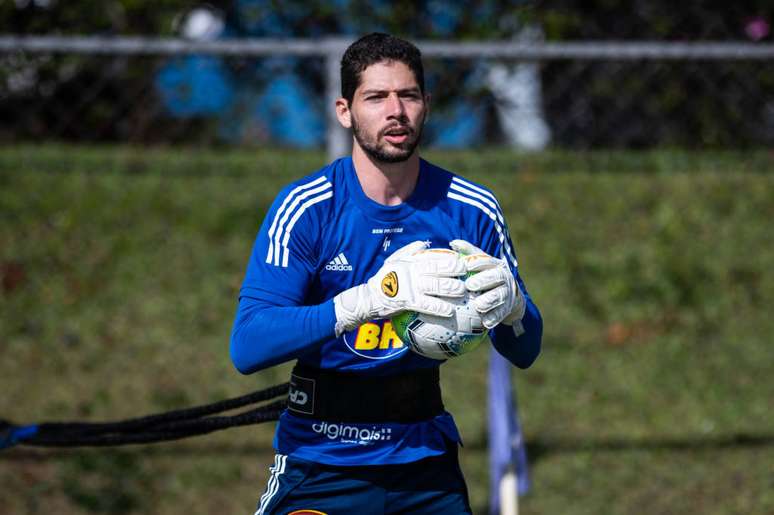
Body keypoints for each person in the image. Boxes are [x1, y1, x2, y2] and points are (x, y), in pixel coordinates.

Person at [230, 32, 542, 515]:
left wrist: (514, 307)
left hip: (426, 467)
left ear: (426, 105)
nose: (395, 111)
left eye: (408, 95)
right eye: (376, 97)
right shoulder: (308, 208)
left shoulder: (472, 210)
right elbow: (248, 345)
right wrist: (366, 302)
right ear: (345, 111)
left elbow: (525, 350)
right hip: (321, 462)